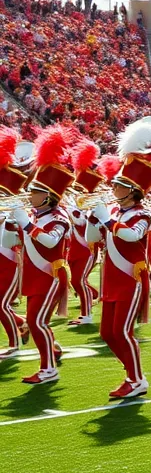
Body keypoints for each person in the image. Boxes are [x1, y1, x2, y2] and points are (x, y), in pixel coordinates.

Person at [85, 116, 151, 399]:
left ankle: (137, 379)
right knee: (107, 333)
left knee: (122, 331)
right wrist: (92, 220)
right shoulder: (115, 212)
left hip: (131, 279)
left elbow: (131, 236)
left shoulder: (143, 213)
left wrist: (106, 219)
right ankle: (132, 374)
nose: (113, 189)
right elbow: (91, 240)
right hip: (111, 279)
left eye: (118, 187)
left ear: (133, 191)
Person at [9, 126, 76, 386]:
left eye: (35, 193)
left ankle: (48, 369)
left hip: (50, 274)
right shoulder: (36, 216)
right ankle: (51, 353)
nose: (30, 195)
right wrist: (9, 223)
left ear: (49, 197)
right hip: (35, 275)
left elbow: (49, 240)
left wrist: (24, 223)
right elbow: (10, 242)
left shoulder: (59, 217)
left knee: (36, 322)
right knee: (38, 323)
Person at [65, 142, 103, 327]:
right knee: (76, 281)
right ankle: (93, 298)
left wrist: (71, 209)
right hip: (74, 249)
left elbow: (81, 221)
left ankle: (87, 315)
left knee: (79, 280)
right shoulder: (76, 202)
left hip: (86, 248)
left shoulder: (92, 204)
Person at [0, 128, 30, 359]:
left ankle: (15, 343)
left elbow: (17, 234)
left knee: (1, 305)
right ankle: (25, 324)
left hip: (8, 261)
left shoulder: (15, 208)